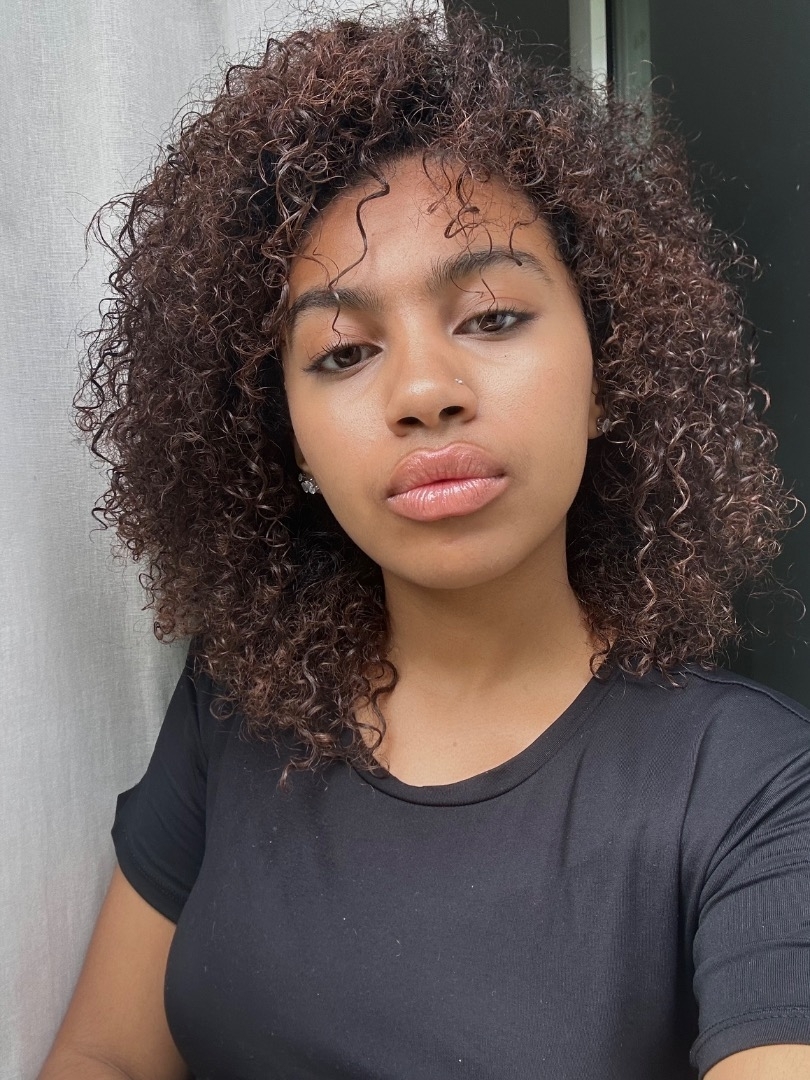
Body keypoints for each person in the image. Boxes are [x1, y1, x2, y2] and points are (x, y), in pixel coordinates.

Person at [39, 6, 810, 1079]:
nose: (424, 393)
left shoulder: (754, 786)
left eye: (491, 317)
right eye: (344, 352)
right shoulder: (238, 703)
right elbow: (109, 1057)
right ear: (287, 437)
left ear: (610, 372)